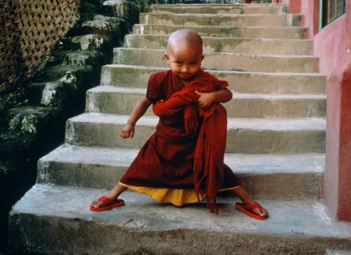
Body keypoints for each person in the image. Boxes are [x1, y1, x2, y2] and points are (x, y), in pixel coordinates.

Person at [90, 29, 268, 220]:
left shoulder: (205, 79)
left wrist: (212, 96)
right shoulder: (159, 80)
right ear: (167, 58)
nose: (185, 69)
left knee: (216, 170)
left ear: (201, 59)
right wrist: (130, 123)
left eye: (193, 63)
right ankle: (113, 195)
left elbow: (227, 94)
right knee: (140, 167)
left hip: (195, 143)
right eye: (179, 63)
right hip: (164, 140)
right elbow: (145, 102)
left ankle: (247, 200)